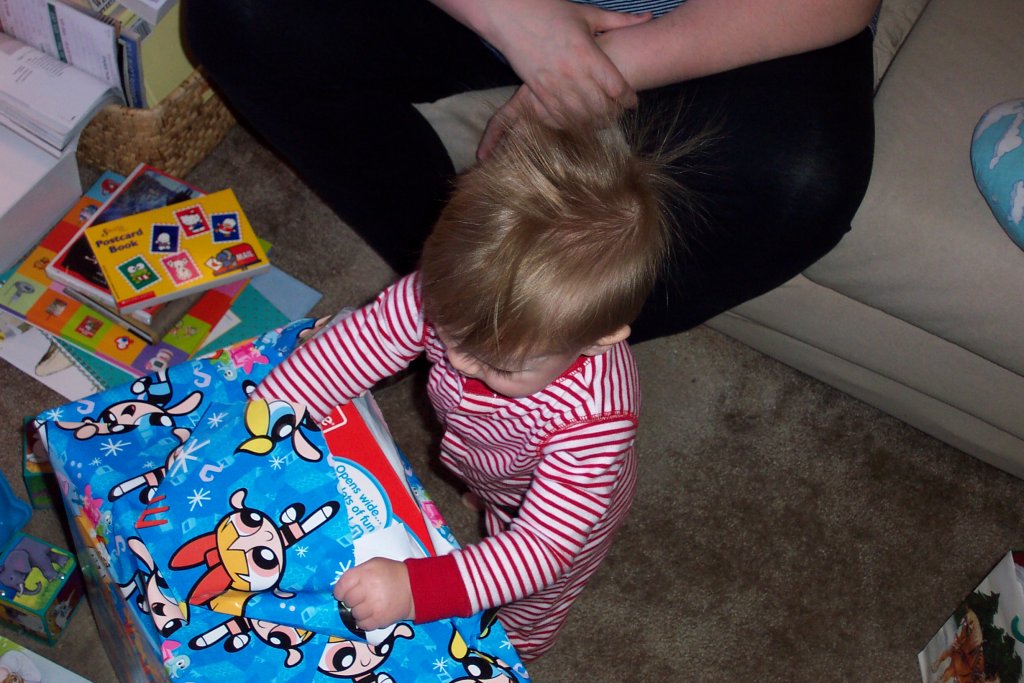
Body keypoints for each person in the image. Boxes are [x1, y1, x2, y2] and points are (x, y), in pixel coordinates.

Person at [184, 0, 879, 343]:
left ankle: (543, 336)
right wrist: (519, 23)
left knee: (799, 185)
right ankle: (455, 284)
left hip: (725, 23)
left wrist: (599, 74)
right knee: (234, 12)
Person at [251, 116, 686, 659]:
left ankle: (519, 644)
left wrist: (415, 590)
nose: (455, 359)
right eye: (447, 330)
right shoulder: (458, 292)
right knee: (489, 491)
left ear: (598, 341)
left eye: (497, 364)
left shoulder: (594, 422)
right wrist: (274, 406)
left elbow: (540, 548)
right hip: (492, 460)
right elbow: (365, 341)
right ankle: (488, 495)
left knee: (532, 594)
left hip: (565, 512)